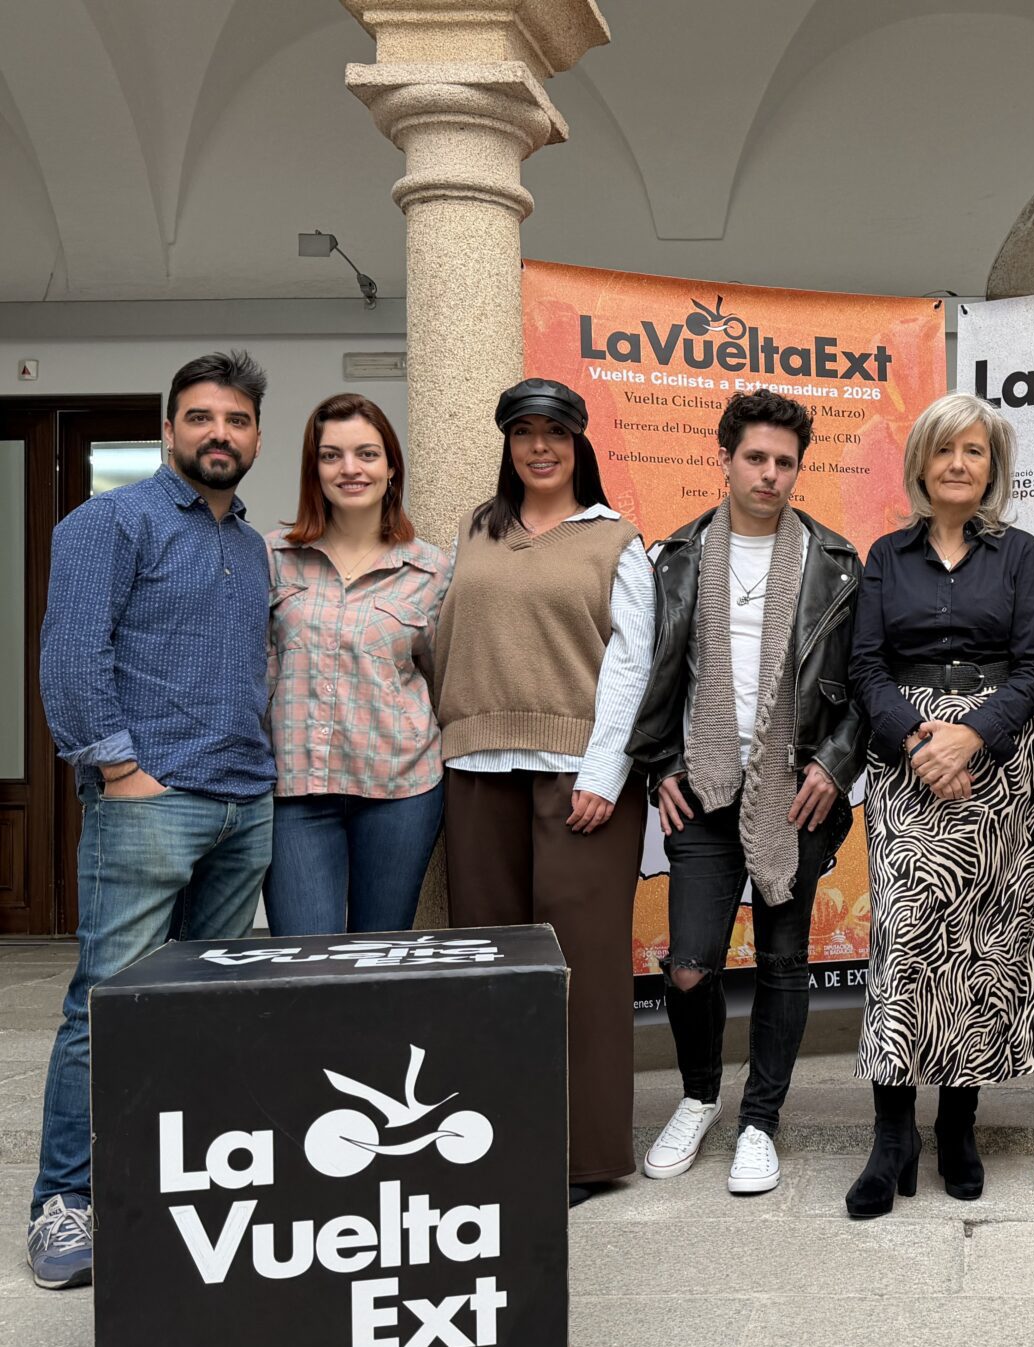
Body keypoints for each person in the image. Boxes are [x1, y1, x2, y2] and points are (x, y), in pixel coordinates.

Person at [30, 351, 275, 1289]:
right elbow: (71, 655)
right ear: (169, 428)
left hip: (243, 804)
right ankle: (69, 1202)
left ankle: (175, 1185)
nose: (221, 433)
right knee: (107, 1008)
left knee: (201, 1012)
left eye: (239, 420)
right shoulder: (111, 521)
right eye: (203, 417)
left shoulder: (249, 544)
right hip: (150, 804)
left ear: (255, 433)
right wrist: (121, 769)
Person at [628, 387, 864, 1197]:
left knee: (783, 961)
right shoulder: (681, 555)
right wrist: (658, 766)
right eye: (755, 458)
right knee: (689, 964)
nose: (769, 474)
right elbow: (651, 671)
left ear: (800, 468)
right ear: (724, 459)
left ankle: (760, 1119)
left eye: (784, 462)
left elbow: (858, 684)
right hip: (702, 785)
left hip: (794, 793)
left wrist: (833, 767)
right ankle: (698, 1099)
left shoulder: (835, 560)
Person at [435, 378, 653, 1207]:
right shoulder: (476, 532)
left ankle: (584, 1157)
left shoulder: (614, 540)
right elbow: (444, 635)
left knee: (581, 973)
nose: (539, 446)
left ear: (578, 442)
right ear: (508, 445)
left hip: (580, 781)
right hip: (477, 768)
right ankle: (490, 1145)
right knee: (486, 968)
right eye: (523, 432)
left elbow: (634, 663)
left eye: (554, 432)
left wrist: (602, 774)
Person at [843, 392, 1034, 1218]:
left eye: (974, 451)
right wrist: (918, 742)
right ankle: (892, 1136)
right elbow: (864, 668)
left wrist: (972, 738)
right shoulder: (886, 555)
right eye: (945, 451)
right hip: (906, 761)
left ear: (992, 467)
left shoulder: (1021, 555)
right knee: (907, 942)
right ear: (922, 465)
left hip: (997, 764)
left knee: (978, 945)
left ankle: (959, 1123)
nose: (959, 464)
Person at [263, 394, 450, 935]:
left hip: (400, 791)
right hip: (295, 791)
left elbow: (442, 678)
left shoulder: (431, 570)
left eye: (366, 454)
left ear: (391, 466)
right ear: (314, 469)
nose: (350, 469)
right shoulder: (272, 558)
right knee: (305, 961)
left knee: (378, 957)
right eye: (331, 456)